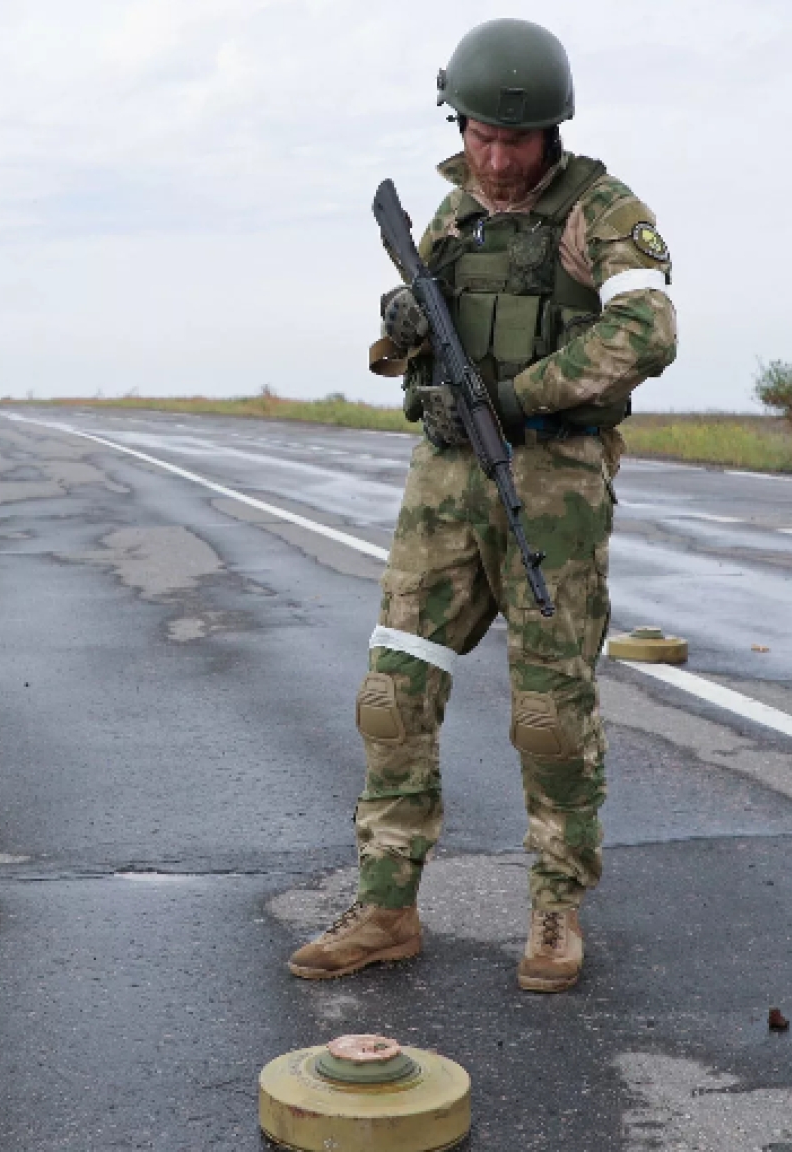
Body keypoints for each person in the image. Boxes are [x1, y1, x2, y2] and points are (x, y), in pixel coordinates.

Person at [288, 17, 677, 993]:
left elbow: (648, 329)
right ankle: (385, 905)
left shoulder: (603, 209)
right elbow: (412, 346)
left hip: (553, 483)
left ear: (553, 132)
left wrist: (521, 394)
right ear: (456, 122)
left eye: (517, 140)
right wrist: (402, 332)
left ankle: (555, 909)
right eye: (480, 136)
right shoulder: (451, 216)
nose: (496, 158)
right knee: (391, 694)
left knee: (549, 711)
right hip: (445, 480)